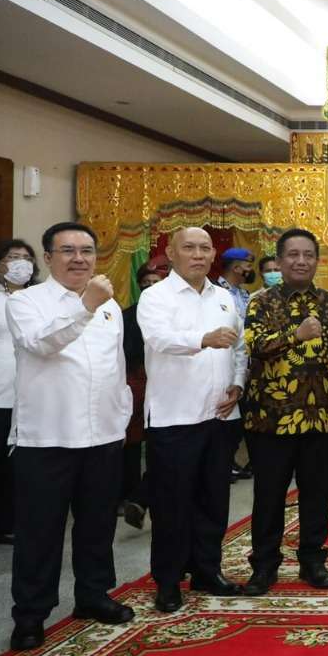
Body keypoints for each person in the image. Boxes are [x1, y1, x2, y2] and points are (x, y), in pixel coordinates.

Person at [5, 222, 134, 651]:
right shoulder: (26, 302)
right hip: (47, 437)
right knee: (40, 532)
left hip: (101, 436)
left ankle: (93, 595)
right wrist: (85, 307)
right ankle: (30, 614)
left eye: (87, 250)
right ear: (47, 258)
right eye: (67, 250)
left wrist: (121, 416)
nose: (79, 258)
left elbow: (113, 367)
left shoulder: (111, 307)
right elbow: (41, 344)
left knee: (97, 526)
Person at [241, 228, 328, 595]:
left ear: (317, 260)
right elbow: (254, 346)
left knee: (317, 494)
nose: (301, 261)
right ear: (279, 260)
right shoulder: (261, 302)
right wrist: (297, 335)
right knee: (269, 495)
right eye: (293, 255)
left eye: (308, 254)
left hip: (320, 416)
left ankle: (312, 560)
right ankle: (264, 565)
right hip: (272, 418)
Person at [138, 227, 248, 612]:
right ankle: (168, 581)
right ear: (171, 251)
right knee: (172, 504)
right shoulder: (155, 297)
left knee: (213, 500)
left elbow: (238, 347)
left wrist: (237, 383)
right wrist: (203, 339)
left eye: (205, 248)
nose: (198, 255)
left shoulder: (223, 298)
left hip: (220, 415)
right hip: (175, 416)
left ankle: (207, 570)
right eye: (189, 248)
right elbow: (158, 338)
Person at [0, 239, 39, 544]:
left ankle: (19, 520)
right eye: (13, 257)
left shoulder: (39, 299)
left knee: (24, 465)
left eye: (26, 257)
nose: (21, 262)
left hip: (33, 392)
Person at [120, 263, 165, 530]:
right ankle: (132, 494)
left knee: (163, 447)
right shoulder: (128, 315)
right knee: (133, 442)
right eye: (145, 282)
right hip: (137, 381)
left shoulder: (177, 312)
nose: (150, 286)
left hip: (170, 385)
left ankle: (141, 496)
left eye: (155, 281)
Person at [217, 247, 255, 482]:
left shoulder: (243, 294)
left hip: (244, 364)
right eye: (248, 265)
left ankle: (228, 462)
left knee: (238, 422)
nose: (250, 270)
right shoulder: (217, 293)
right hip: (224, 364)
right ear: (236, 266)